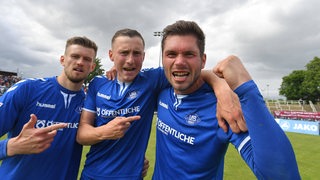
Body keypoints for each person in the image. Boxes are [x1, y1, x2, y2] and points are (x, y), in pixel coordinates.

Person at [76, 29, 246, 179]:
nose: (130, 60)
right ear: (111, 55)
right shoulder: (98, 84)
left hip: (130, 175)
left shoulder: (152, 80)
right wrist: (105, 131)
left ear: (143, 56)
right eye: (124, 53)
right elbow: (82, 134)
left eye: (136, 53)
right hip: (92, 172)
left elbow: (193, 72)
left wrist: (222, 87)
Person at [152, 20, 300, 179]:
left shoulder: (224, 109)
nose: (179, 61)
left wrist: (246, 89)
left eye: (189, 54)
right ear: (163, 59)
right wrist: (217, 80)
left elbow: (282, 175)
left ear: (203, 60)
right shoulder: (161, 89)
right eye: (171, 54)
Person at [0, 36, 97, 179]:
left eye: (87, 59)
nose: (80, 62)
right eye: (75, 56)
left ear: (92, 67)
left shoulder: (90, 105)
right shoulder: (27, 89)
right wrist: (9, 147)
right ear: (62, 60)